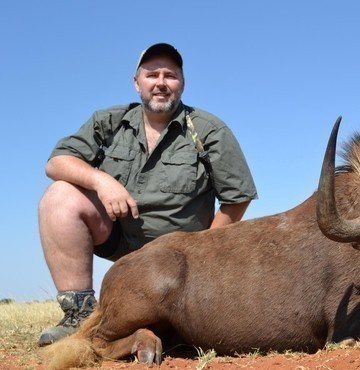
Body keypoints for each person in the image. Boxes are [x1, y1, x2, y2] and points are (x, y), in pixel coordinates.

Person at [38, 43, 258, 346]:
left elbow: (237, 197)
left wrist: (204, 252)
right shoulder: (109, 122)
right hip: (124, 242)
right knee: (59, 195)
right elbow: (56, 162)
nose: (161, 83)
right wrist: (101, 180)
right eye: (152, 74)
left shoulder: (208, 130)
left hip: (183, 258)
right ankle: (78, 315)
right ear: (136, 82)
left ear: (182, 83)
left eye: (171, 75)